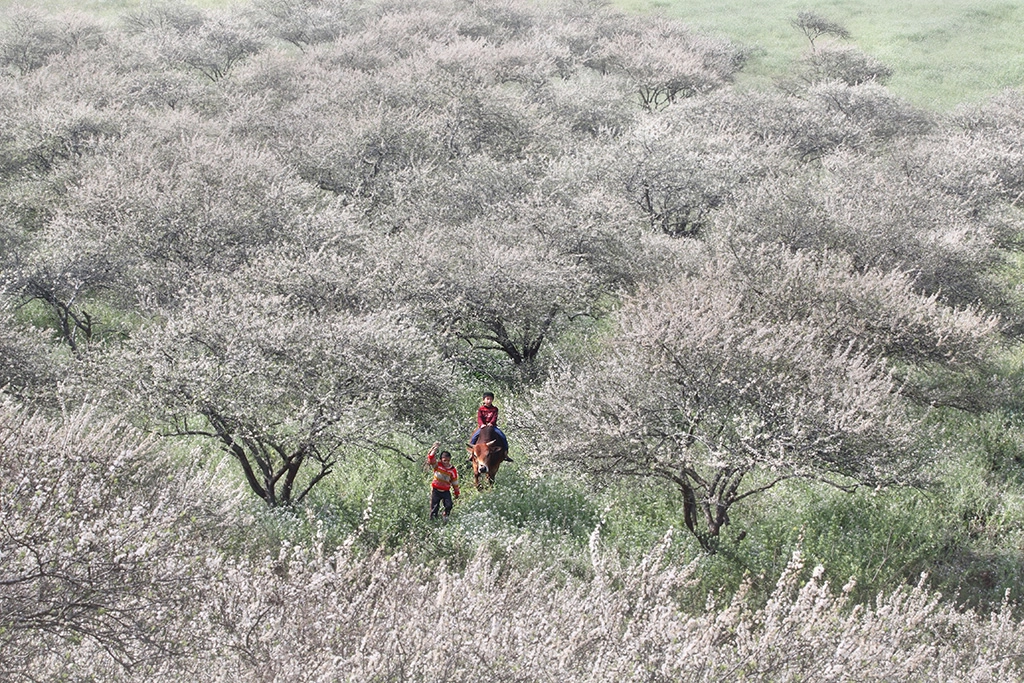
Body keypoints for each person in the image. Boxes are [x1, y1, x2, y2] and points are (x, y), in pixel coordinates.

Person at [426, 441, 459, 521]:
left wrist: (456, 492)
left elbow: (454, 482)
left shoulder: (452, 470)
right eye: (444, 460)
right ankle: (433, 522)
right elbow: (430, 458)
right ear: (441, 460)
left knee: (449, 505)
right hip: (436, 490)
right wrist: (435, 448)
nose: (446, 463)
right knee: (434, 507)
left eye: (448, 461)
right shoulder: (437, 466)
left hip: (445, 491)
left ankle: (445, 515)